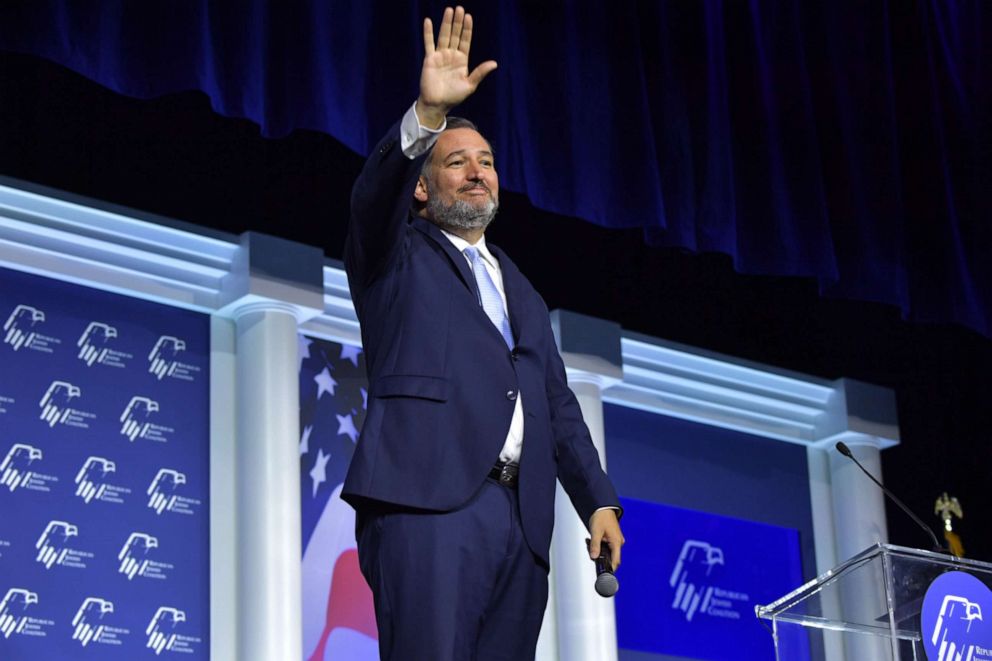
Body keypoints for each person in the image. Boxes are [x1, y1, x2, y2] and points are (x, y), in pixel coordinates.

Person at [342, 6, 625, 660]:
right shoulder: (394, 256)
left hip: (521, 523)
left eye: (488, 161)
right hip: (427, 503)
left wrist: (597, 501)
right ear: (421, 188)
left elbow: (555, 403)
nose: (477, 172)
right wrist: (427, 115)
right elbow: (370, 199)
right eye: (457, 161)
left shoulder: (519, 284)